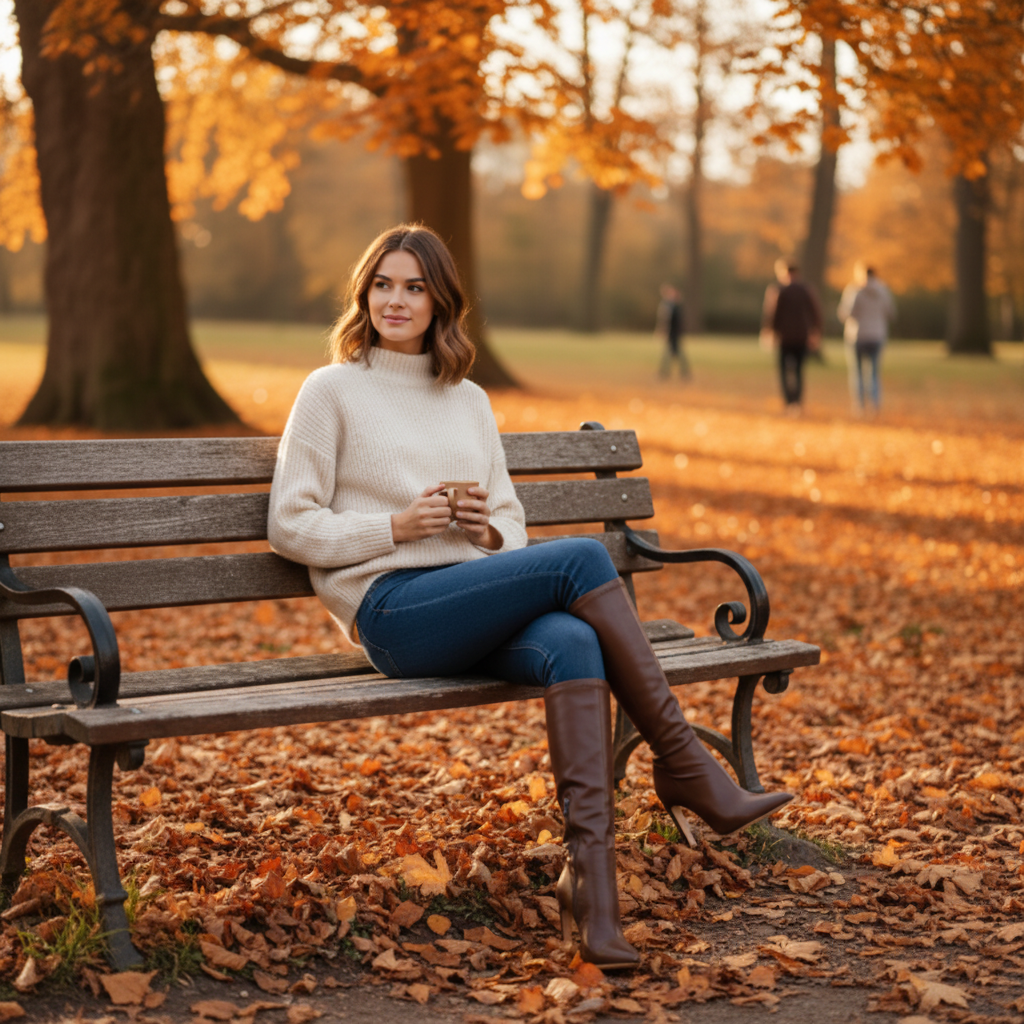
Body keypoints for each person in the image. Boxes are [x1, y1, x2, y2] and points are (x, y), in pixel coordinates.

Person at [267, 224, 792, 969]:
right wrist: (394, 527)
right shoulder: (332, 390)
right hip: (393, 611)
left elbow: (511, 525)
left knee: (573, 642)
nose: (396, 300)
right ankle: (684, 764)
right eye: (382, 284)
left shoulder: (468, 399)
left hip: (470, 602)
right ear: (364, 294)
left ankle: (594, 896)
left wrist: (484, 531)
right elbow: (289, 523)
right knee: (581, 556)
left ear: (440, 301)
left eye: (414, 286)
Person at [837, 264, 896, 414]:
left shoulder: (854, 290)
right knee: (874, 372)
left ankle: (860, 406)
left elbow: (847, 313)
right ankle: (875, 404)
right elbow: (891, 313)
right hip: (877, 335)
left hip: (857, 335)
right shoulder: (883, 291)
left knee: (857, 372)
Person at [768, 264, 822, 413]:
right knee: (798, 371)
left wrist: (770, 331)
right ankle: (797, 401)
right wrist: (815, 332)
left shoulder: (779, 290)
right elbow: (815, 312)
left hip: (785, 337)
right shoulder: (806, 290)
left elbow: (773, 313)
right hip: (801, 335)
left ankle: (789, 401)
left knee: (784, 371)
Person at [656, 283, 690, 380]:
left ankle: (666, 372)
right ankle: (667, 372)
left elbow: (669, 320)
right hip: (673, 333)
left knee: (674, 353)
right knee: (673, 353)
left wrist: (664, 330)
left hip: (674, 333)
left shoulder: (673, 306)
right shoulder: (671, 305)